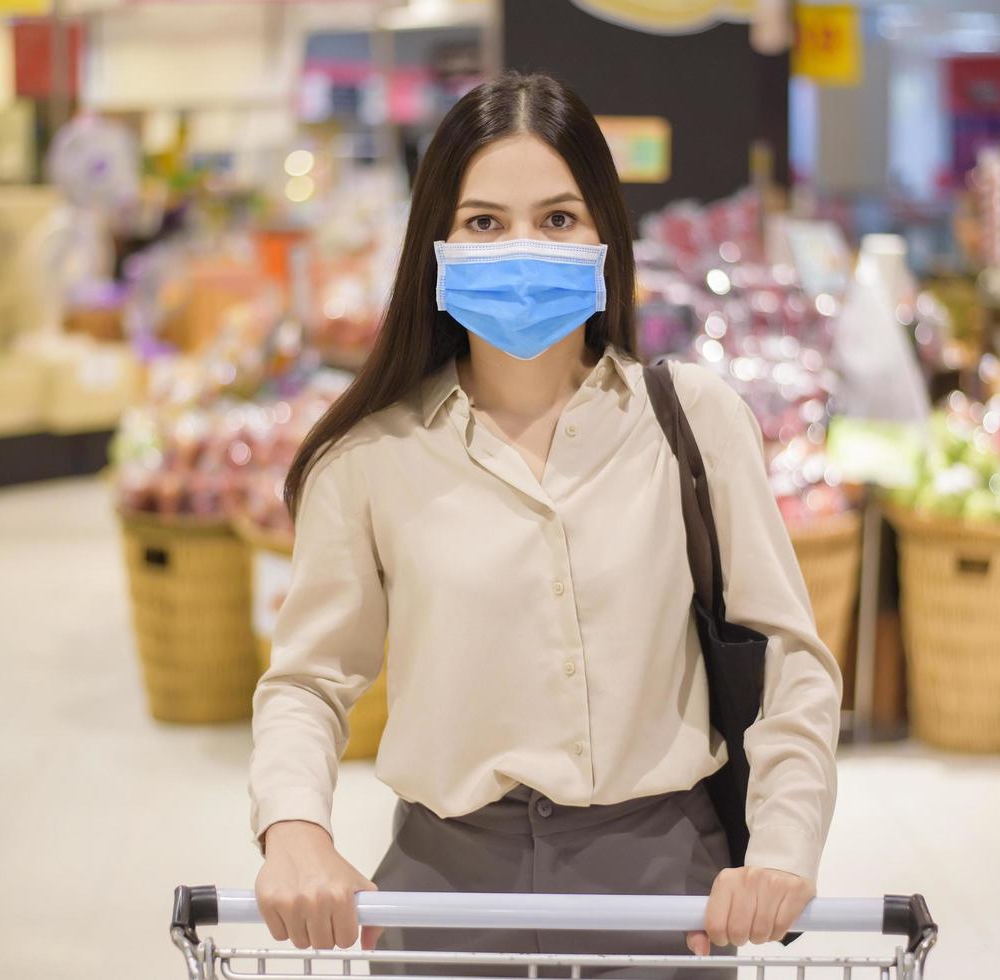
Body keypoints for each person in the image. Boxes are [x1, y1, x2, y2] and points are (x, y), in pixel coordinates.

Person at [249, 72, 840, 977]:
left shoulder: (693, 421)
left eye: (557, 218)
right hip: (441, 890)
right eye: (485, 221)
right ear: (436, 245)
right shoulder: (368, 458)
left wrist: (784, 844)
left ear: (604, 235)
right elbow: (308, 679)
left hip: (665, 886)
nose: (522, 246)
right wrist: (293, 828)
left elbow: (790, 655)